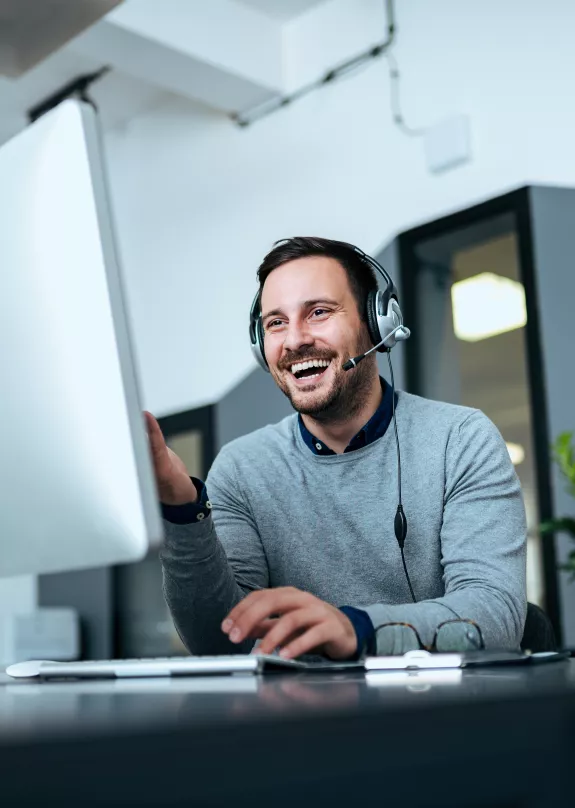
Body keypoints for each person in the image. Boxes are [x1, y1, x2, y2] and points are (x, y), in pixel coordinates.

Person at [146, 237, 527, 661]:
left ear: (376, 323)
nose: (294, 340)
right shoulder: (240, 469)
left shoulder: (461, 439)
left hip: (440, 716)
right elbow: (222, 641)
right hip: (303, 721)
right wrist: (182, 509)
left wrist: (358, 629)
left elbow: (496, 616)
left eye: (319, 312)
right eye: (275, 323)